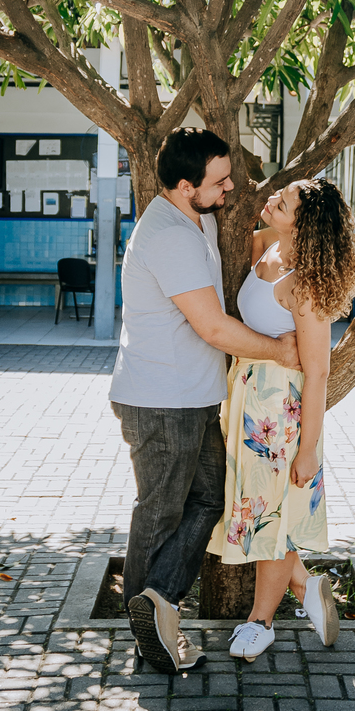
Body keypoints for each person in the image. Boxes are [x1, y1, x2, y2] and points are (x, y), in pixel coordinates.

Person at [109, 126, 303, 676]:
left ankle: (158, 601)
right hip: (161, 399)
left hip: (191, 397)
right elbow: (214, 328)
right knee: (161, 511)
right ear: (184, 184)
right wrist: (279, 350)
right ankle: (147, 629)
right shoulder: (167, 234)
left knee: (208, 499)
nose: (231, 189)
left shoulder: (199, 218)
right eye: (219, 181)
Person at [206, 177, 355, 661]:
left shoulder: (308, 286)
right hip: (243, 398)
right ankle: (306, 587)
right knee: (258, 512)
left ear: (307, 222)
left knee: (270, 517)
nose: (275, 198)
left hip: (278, 416)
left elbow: (318, 372)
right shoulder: (266, 244)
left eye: (286, 201)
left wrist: (309, 448)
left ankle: (260, 623)